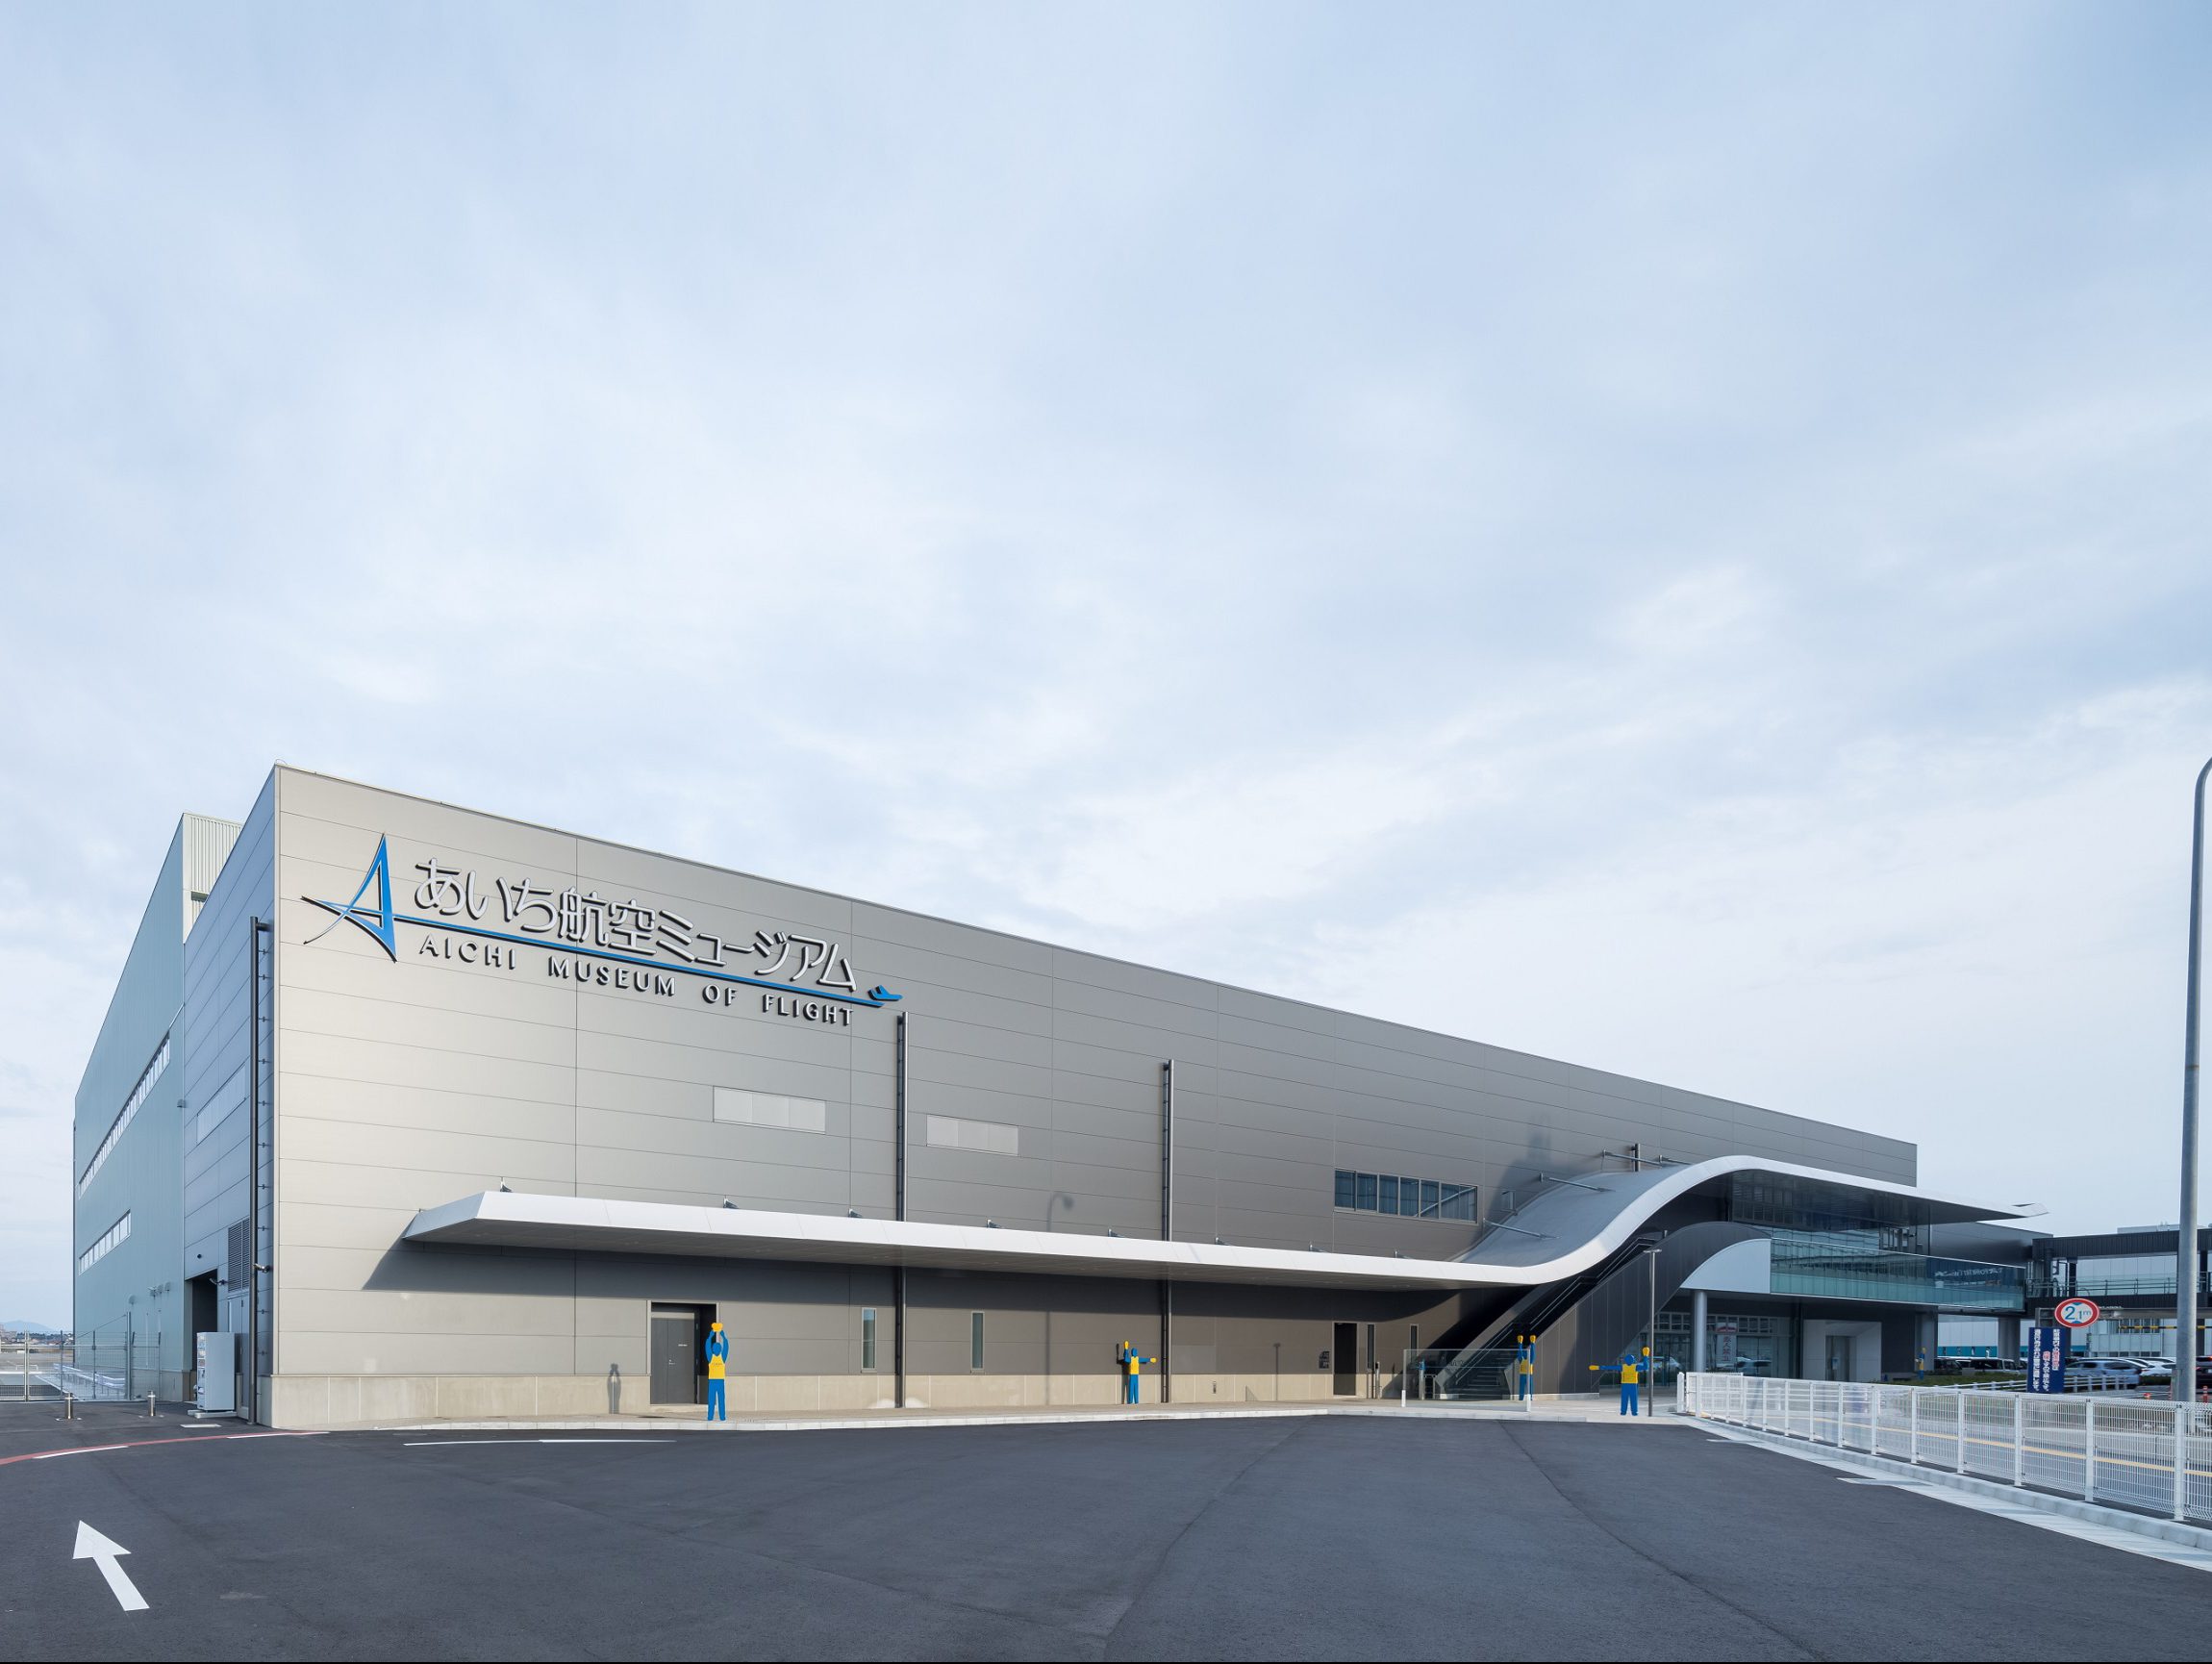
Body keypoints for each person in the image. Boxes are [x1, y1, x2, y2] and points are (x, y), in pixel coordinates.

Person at [704, 1321, 730, 1423]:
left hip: (720, 1381)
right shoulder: (711, 1357)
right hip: (712, 1381)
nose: (717, 1349)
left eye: (718, 1348)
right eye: (715, 1348)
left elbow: (726, 1347)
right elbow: (707, 1347)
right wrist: (710, 1337)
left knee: (721, 1399)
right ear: (713, 1349)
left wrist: (723, 1337)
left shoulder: (722, 1358)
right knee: (711, 1399)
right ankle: (710, 1417)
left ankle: (722, 1417)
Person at [1117, 1340, 1155, 1405]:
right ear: (1132, 1353)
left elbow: (1144, 1359)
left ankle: (1136, 1401)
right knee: (1131, 1388)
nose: (1135, 1353)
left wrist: (1150, 1360)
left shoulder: (1137, 1359)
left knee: (1135, 1389)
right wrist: (1126, 1349)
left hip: (1136, 1375)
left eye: (1135, 1352)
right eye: (1134, 1352)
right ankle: (1130, 1402)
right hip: (1132, 1375)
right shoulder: (1131, 1359)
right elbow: (1126, 1359)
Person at [1618, 1349, 1641, 1417]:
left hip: (1632, 1385)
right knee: (1626, 1399)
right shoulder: (1624, 1367)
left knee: (1632, 1399)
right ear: (1625, 1360)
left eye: (1630, 1359)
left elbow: (1646, 1367)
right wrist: (1599, 1367)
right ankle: (1625, 1412)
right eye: (1628, 1359)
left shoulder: (1635, 1367)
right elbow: (1611, 1367)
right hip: (1626, 1384)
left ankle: (1632, 1412)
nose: (1629, 1361)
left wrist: (1646, 1356)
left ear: (1633, 1360)